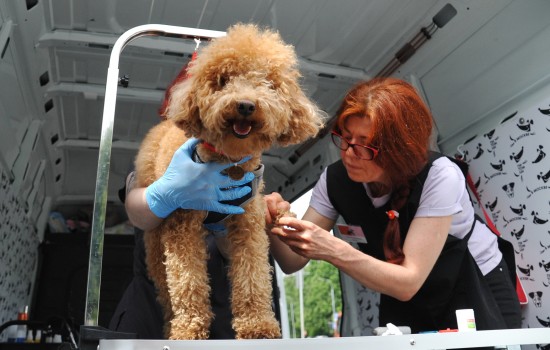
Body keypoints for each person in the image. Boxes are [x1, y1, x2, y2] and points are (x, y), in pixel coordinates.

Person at [265, 77, 521, 334]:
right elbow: (291, 261)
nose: (349, 154)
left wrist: (333, 249)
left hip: (472, 286)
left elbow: (408, 281)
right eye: (345, 138)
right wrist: (269, 218)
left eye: (364, 145)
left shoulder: (440, 175)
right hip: (401, 293)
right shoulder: (334, 180)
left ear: (398, 148)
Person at [109, 138, 257, 339]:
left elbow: (239, 249)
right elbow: (135, 209)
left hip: (222, 312)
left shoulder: (244, 161)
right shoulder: (158, 149)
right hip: (150, 306)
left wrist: (224, 229)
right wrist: (162, 195)